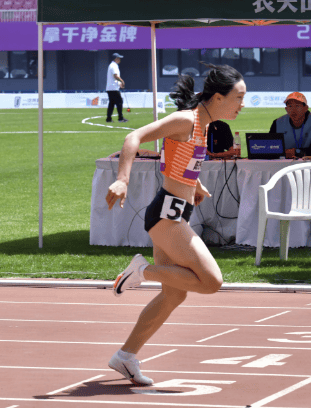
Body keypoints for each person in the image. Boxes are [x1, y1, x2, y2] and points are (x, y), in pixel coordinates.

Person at [105, 63, 246, 385]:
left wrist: (195, 187)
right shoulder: (186, 119)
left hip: (177, 211)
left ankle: (125, 356)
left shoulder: (203, 125)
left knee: (173, 295)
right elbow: (134, 136)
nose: (242, 105)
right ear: (218, 97)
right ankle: (140, 272)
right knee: (211, 282)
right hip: (166, 215)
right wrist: (122, 180)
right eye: (238, 97)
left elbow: (176, 159)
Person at [269, 92, 311, 158]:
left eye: (297, 106)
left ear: (306, 108)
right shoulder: (277, 123)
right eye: (290, 106)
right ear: (286, 109)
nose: (293, 110)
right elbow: (270, 147)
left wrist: (296, 152)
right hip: (283, 163)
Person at [106, 52, 128, 123]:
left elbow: (113, 78)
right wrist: (122, 81)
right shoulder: (114, 66)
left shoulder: (111, 65)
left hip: (110, 88)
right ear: (116, 59)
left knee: (111, 103)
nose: (119, 59)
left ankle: (108, 118)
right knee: (119, 102)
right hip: (113, 88)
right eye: (119, 58)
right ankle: (120, 118)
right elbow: (116, 76)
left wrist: (119, 83)